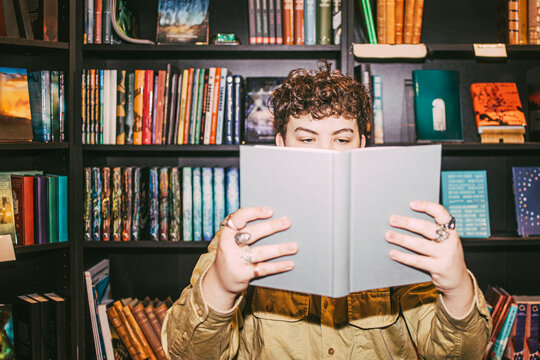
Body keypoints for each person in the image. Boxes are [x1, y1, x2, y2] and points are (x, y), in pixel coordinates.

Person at [162, 61, 492, 359]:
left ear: (361, 145)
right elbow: (185, 354)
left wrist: (457, 288)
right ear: (281, 145)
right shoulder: (244, 232)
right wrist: (220, 285)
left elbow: (462, 356)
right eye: (307, 140)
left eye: (341, 139)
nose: (326, 155)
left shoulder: (403, 226)